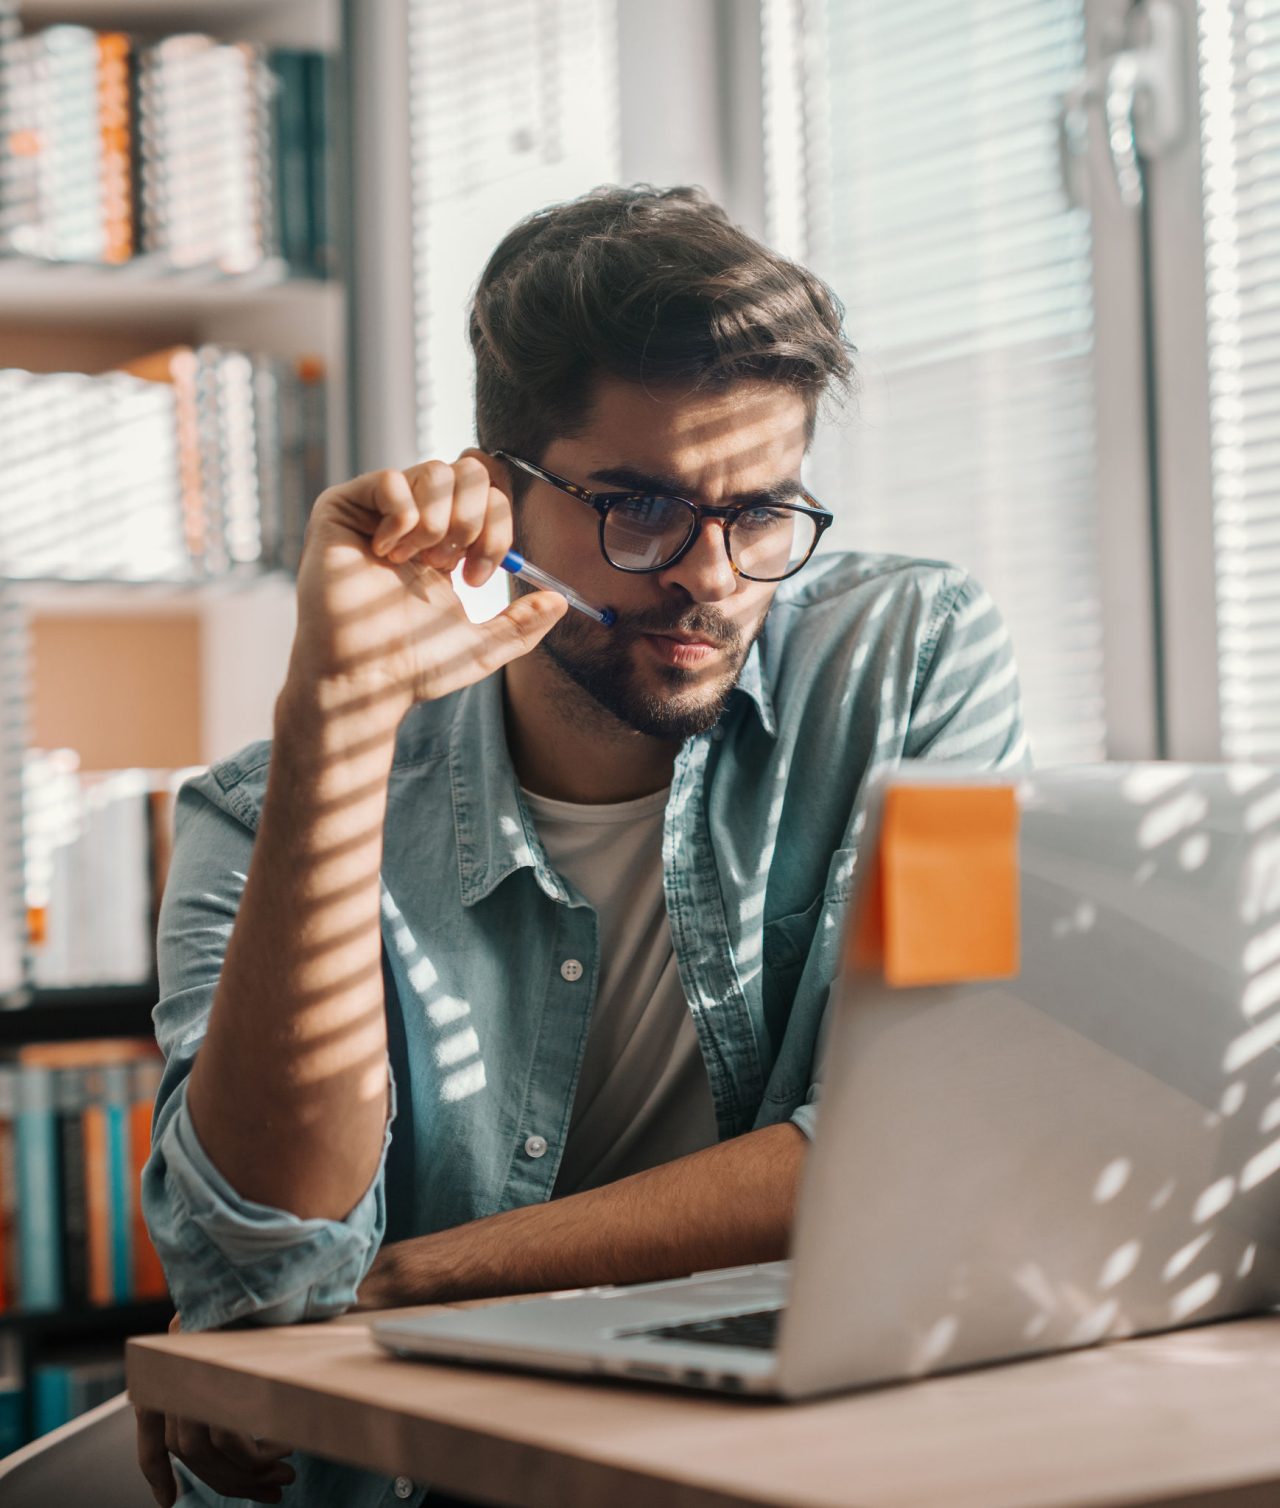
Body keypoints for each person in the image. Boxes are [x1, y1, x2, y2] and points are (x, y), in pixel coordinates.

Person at [134, 185, 1028, 1507]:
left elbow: (914, 1142)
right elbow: (262, 1270)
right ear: (498, 498)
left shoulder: (912, 662)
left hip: (763, 1457)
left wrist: (414, 1280)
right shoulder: (259, 811)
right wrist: (339, 719)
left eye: (762, 510)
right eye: (640, 508)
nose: (712, 578)